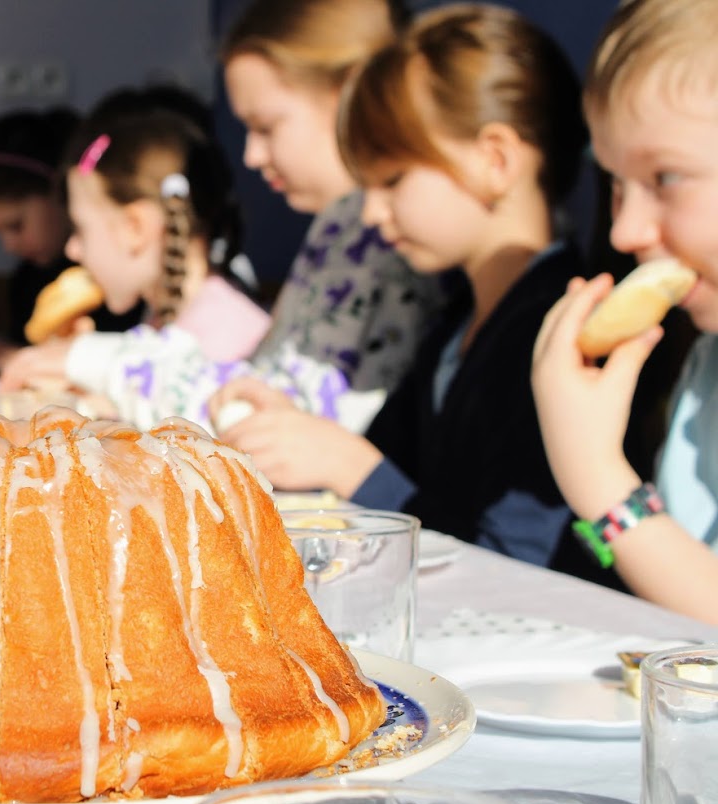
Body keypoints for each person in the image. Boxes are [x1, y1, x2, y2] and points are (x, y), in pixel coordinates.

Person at [214, 3, 603, 580]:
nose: (371, 213)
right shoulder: (456, 329)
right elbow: (397, 468)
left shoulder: (557, 333)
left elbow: (518, 557)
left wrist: (350, 465)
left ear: (495, 160)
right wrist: (299, 436)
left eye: (392, 181)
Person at [1, 0, 445, 433]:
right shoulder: (342, 222)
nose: (251, 155)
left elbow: (292, 417)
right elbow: (264, 379)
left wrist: (92, 361)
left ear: (348, 95)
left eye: (266, 127)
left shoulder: (382, 232)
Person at [531, 0, 718, 622]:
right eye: (614, 184)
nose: (624, 230)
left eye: (666, 177)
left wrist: (598, 478)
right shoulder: (705, 357)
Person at [0, 105, 271, 414]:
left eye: (81, 230)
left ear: (135, 228)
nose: (72, 249)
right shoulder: (161, 316)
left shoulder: (226, 328)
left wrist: (84, 361)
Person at [0, 107, 140, 373]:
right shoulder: (26, 282)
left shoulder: (117, 278)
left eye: (16, 225)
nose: (8, 246)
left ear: (59, 193)